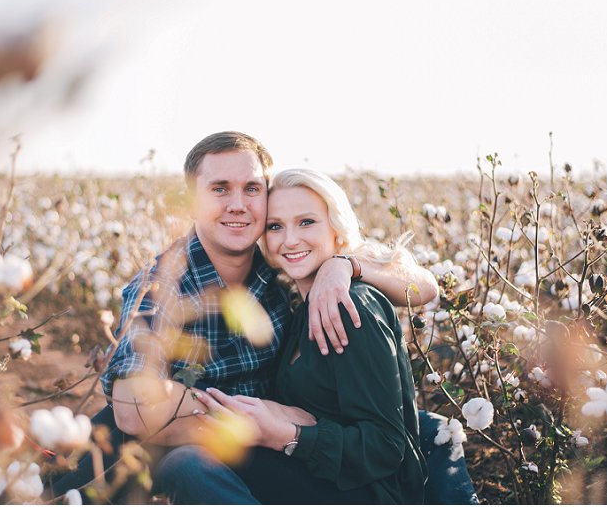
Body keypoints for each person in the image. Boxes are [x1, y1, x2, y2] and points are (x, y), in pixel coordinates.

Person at [47, 131, 478, 504]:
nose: (238, 204)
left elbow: (424, 285)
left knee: (430, 429)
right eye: (220, 189)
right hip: (222, 437)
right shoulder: (165, 285)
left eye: (252, 189)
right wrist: (275, 419)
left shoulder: (286, 263)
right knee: (124, 441)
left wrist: (346, 266)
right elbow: (135, 410)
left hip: (294, 447)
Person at [191, 168, 427, 503]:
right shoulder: (297, 305)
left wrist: (286, 435)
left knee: (190, 464)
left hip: (368, 492)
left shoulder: (348, 306)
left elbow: (386, 447)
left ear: (337, 230)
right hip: (325, 473)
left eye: (306, 222)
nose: (290, 240)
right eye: (275, 226)